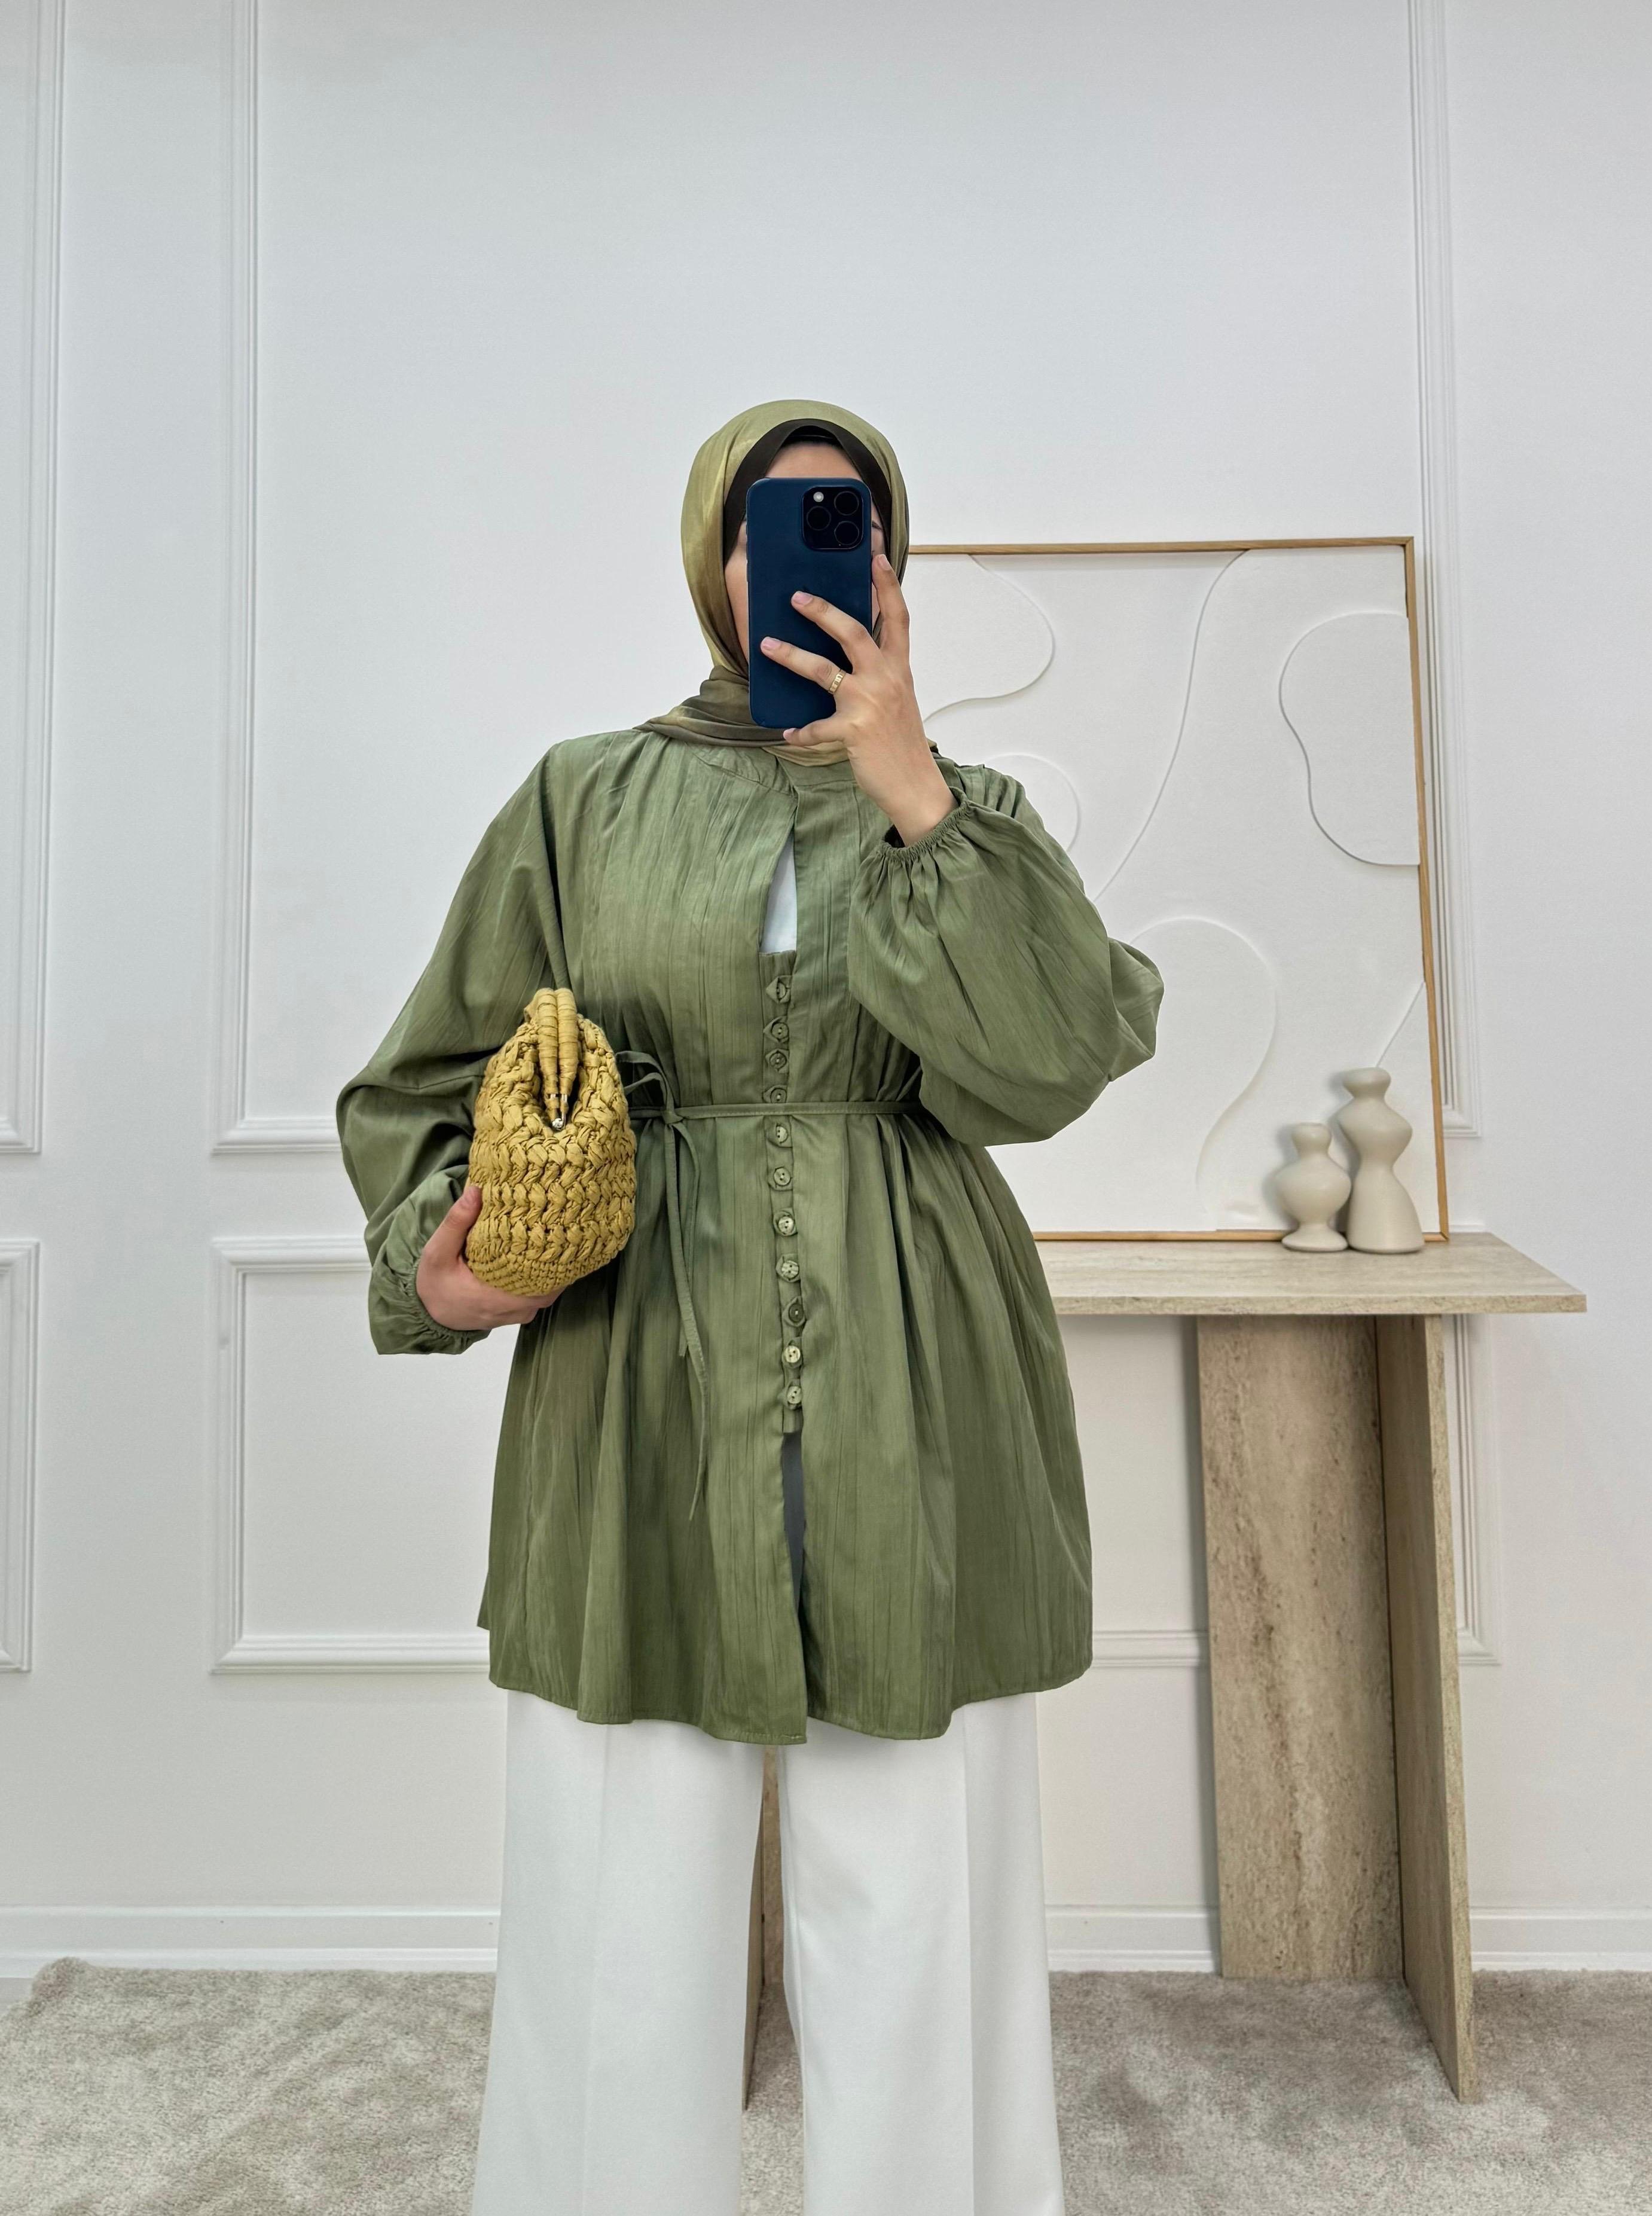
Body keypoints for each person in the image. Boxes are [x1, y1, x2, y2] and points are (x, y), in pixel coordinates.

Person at [335, 398, 1164, 2216]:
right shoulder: (581, 797)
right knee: (621, 1898)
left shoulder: (971, 815)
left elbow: (1051, 1061)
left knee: (917, 1886)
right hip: (635, 1369)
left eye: (843, 518)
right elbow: (423, 1083)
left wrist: (913, 787)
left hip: (914, 1368)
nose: (794, 555)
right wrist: (441, 1260)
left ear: (892, 558)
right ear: (711, 555)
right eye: (765, 523)